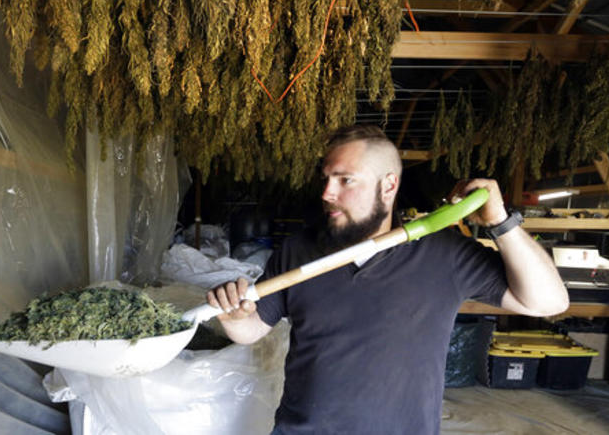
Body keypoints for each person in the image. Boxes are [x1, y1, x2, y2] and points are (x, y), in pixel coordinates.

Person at [206, 124, 568, 435]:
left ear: (388, 185)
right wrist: (233, 318)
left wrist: (501, 224)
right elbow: (253, 329)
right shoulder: (299, 250)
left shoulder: (444, 254)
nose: (327, 193)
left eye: (345, 180)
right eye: (326, 178)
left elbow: (549, 302)